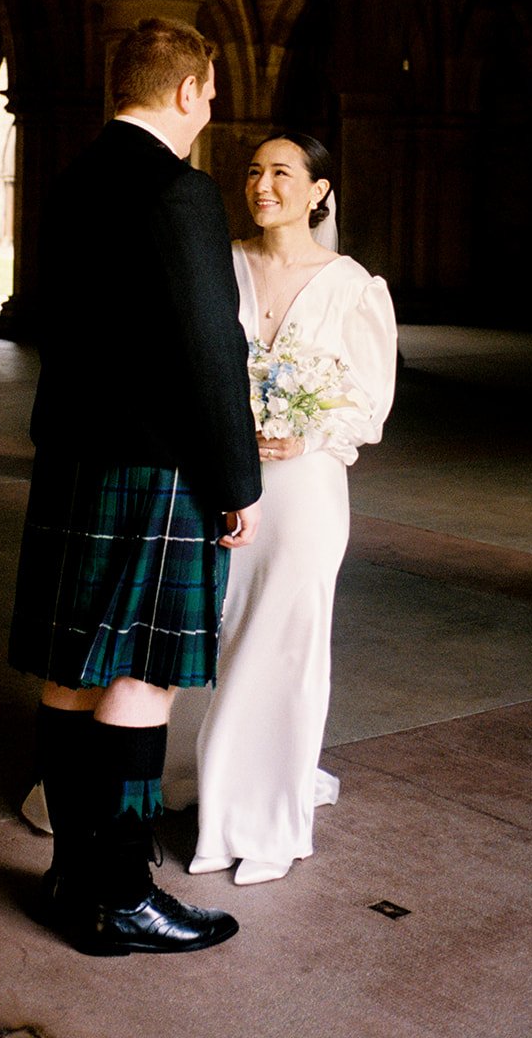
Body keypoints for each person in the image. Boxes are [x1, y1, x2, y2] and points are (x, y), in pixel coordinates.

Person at [8, 16, 262, 956]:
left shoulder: (72, 180)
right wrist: (236, 478)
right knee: (142, 678)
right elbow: (207, 346)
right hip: (155, 467)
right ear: (194, 90)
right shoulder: (178, 191)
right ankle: (120, 897)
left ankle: (74, 878)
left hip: (75, 457)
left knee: (72, 676)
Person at [170, 130, 397, 885]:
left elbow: (367, 404)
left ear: (318, 191)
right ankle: (183, 774)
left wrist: (301, 433)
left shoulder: (352, 286)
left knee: (285, 646)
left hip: (303, 492)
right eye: (253, 172)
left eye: (281, 173)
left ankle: (261, 814)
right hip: (215, 481)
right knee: (205, 628)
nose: (262, 185)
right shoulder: (219, 267)